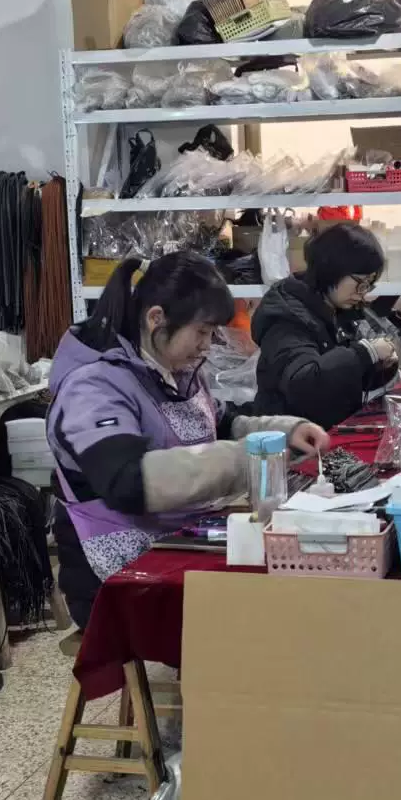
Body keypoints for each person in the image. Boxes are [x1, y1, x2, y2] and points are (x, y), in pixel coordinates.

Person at [48, 251, 328, 628]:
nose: (207, 346)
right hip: (116, 577)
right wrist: (248, 459)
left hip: (175, 539)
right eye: (201, 331)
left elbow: (220, 422)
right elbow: (128, 482)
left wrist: (284, 432)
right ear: (156, 319)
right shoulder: (92, 388)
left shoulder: (172, 369)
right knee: (258, 620)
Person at [252, 222, 400, 430]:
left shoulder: (336, 309)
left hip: (323, 431)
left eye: (369, 285)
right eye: (360, 282)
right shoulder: (287, 318)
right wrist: (365, 353)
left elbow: (338, 377)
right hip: (289, 436)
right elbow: (304, 385)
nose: (363, 292)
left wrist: (377, 367)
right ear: (332, 269)